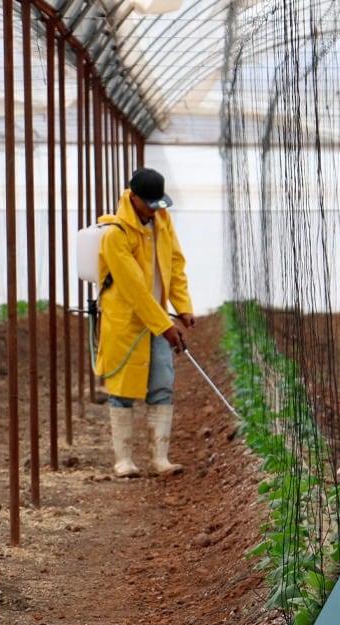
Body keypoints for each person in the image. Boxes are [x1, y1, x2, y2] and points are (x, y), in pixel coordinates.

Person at [94, 168, 195, 477]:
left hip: (159, 318)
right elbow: (134, 289)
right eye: (148, 203)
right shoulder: (116, 234)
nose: (154, 209)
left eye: (158, 203)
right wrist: (165, 327)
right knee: (121, 390)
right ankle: (124, 461)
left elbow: (175, 264)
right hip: (126, 322)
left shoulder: (162, 221)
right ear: (133, 197)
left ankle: (160, 459)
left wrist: (183, 306)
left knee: (162, 384)